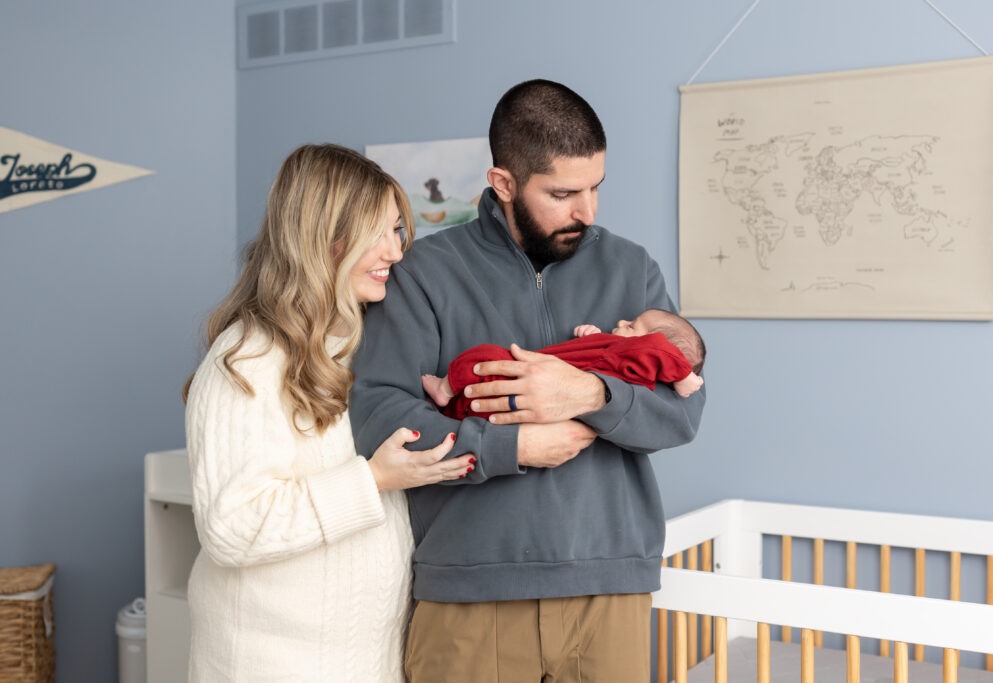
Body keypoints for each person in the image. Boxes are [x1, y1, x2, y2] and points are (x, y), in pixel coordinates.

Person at [350, 80, 706, 682]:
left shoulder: (632, 268)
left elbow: (682, 409)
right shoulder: (426, 275)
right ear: (504, 184)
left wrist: (590, 393)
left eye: (595, 188)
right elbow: (380, 418)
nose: (587, 213)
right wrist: (509, 448)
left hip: (610, 588)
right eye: (563, 194)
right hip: (471, 590)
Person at [181, 144, 475, 682]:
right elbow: (231, 526)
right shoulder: (245, 361)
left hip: (363, 660)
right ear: (326, 238)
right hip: (271, 665)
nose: (397, 252)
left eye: (399, 232)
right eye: (380, 234)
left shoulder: (359, 347)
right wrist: (372, 481)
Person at [422, 308, 707, 420]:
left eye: (632, 326)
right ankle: (448, 408)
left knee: (484, 357)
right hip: (527, 395)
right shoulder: (624, 359)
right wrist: (593, 336)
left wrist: (682, 375)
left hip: (527, 376)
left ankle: (444, 389)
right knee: (483, 400)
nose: (621, 322)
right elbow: (603, 356)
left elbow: (657, 348)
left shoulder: (639, 352)